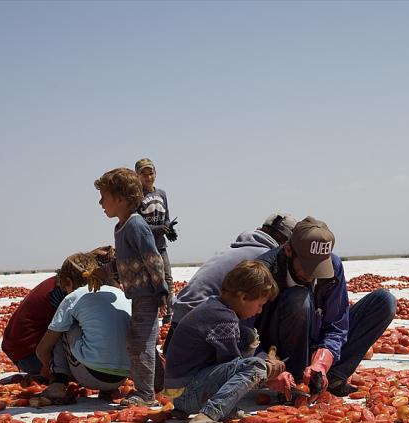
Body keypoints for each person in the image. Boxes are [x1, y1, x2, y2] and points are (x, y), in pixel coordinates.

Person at [254, 217, 397, 397]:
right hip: (277, 351)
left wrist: (322, 361)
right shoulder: (263, 272)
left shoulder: (334, 266)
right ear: (289, 250)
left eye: (319, 267)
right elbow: (244, 336)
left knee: (384, 301)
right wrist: (268, 368)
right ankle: (295, 381)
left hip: (315, 340)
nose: (313, 275)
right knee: (299, 298)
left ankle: (331, 376)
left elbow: (337, 324)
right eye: (307, 266)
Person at [164, 260, 293, 423]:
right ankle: (205, 417)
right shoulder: (225, 318)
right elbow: (232, 366)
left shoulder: (213, 306)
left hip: (176, 392)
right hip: (186, 393)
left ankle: (217, 409)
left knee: (248, 335)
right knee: (254, 366)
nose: (259, 311)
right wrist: (267, 370)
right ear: (243, 297)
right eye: (259, 304)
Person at [164, 212, 297, 353]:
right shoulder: (265, 258)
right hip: (201, 326)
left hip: (179, 321)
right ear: (285, 242)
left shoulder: (239, 247)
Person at [95, 167, 167, 407]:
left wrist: (162, 290)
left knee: (141, 342)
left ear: (120, 199)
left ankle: (146, 394)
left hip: (148, 294)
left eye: (104, 197)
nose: (100, 203)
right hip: (138, 294)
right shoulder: (121, 227)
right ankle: (160, 383)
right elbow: (125, 261)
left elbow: (152, 258)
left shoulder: (135, 225)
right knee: (138, 339)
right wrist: (104, 271)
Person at [34, 252, 132, 404]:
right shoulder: (118, 292)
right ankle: (108, 390)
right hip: (122, 376)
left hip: (91, 376)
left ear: (68, 281)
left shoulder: (73, 297)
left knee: (63, 327)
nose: (65, 292)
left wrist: (54, 370)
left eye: (64, 287)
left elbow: (42, 350)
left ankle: (57, 386)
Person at [1, 246, 114, 377]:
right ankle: (60, 379)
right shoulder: (60, 294)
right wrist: (51, 369)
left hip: (21, 349)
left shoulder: (62, 284)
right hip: (29, 356)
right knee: (72, 328)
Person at [135, 158, 177, 324]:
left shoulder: (161, 194)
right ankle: (150, 316)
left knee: (167, 279)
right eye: (143, 174)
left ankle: (168, 315)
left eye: (150, 173)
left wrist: (168, 228)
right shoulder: (137, 198)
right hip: (145, 249)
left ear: (155, 174)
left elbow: (166, 217)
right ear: (137, 176)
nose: (148, 177)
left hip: (161, 246)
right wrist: (156, 229)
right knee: (150, 282)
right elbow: (138, 226)